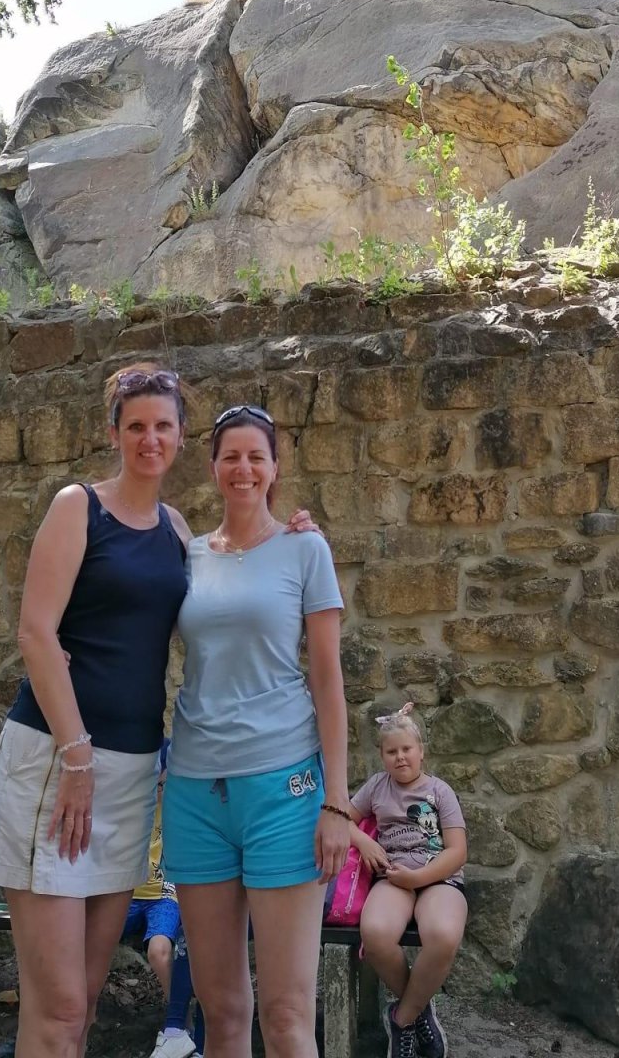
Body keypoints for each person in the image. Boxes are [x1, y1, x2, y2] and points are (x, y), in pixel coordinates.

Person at [0, 366, 314, 1058]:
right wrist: (75, 755)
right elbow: (36, 633)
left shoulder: (176, 531)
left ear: (182, 437)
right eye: (135, 425)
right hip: (58, 763)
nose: (149, 438)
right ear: (114, 433)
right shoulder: (78, 507)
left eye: (163, 425)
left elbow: (237, 573)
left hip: (131, 773)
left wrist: (293, 534)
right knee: (58, 1008)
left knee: (83, 1003)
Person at [162, 404, 351, 1058]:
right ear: (212, 466)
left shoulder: (305, 548)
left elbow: (327, 679)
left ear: (274, 468)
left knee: (287, 1013)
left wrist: (338, 801)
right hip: (195, 791)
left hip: (285, 789)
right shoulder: (186, 555)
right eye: (230, 456)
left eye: (256, 457)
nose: (243, 469)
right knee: (221, 1010)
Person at [348, 703, 468, 1058]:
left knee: (443, 934)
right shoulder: (376, 787)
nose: (400, 757)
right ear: (382, 757)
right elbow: (341, 819)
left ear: (421, 752)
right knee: (375, 933)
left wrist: (417, 878)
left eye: (406, 749)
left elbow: (457, 851)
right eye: (392, 752)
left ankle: (402, 1018)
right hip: (393, 877)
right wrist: (364, 841)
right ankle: (419, 1010)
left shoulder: (440, 791)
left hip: (437, 877)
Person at [123, 742, 196, 1058]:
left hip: (165, 896)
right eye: (151, 784)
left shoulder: (182, 810)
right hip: (127, 895)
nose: (157, 791)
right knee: (83, 940)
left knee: (160, 950)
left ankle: (181, 1024)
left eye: (163, 784)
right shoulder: (132, 807)